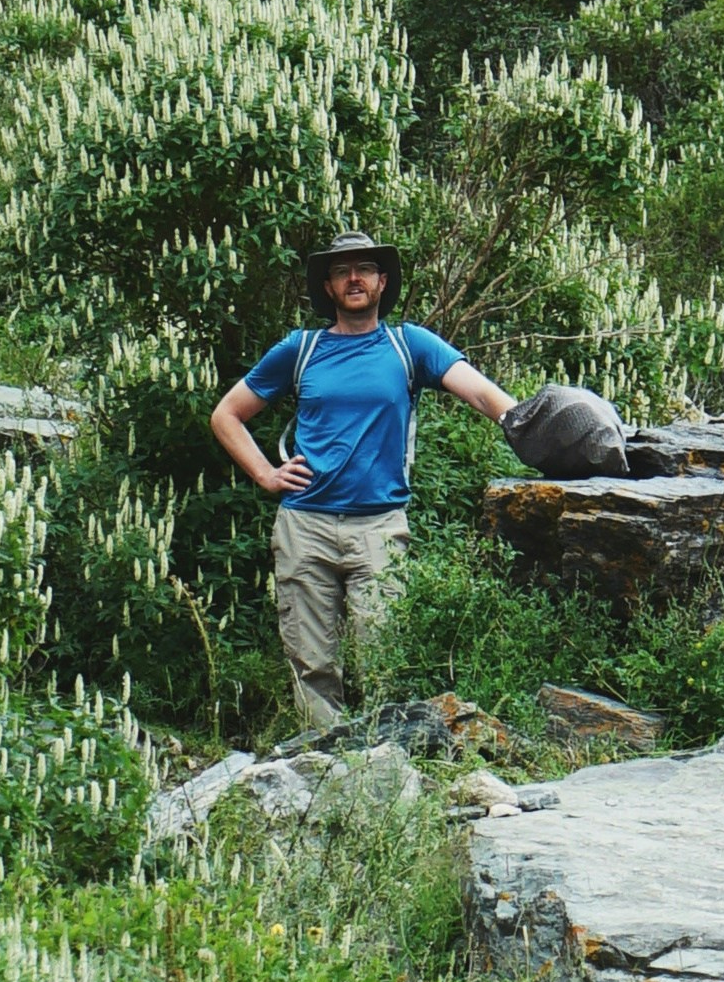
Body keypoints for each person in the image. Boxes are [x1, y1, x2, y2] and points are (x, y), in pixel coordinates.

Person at [211, 229, 515, 737]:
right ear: (328, 287)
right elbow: (227, 415)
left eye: (365, 269)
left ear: (382, 281)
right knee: (311, 664)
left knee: (385, 656)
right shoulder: (300, 350)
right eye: (340, 271)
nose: (354, 278)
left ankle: (385, 764)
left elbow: (483, 395)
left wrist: (527, 424)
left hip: (379, 527)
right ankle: (324, 764)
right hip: (304, 524)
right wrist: (266, 474)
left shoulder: (408, 345)